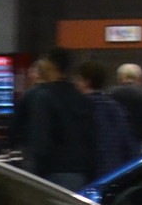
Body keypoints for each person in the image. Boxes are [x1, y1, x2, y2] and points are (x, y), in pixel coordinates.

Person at [18, 50, 99, 190]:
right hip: (79, 172)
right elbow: (92, 137)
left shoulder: (41, 96)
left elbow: (39, 139)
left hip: (52, 173)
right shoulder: (81, 98)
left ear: (50, 66)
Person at [73, 62, 135, 179]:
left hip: (90, 173)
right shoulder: (116, 107)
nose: (76, 85)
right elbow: (127, 143)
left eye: (78, 80)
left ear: (87, 82)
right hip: (115, 171)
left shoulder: (79, 108)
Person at [109, 63, 142, 148]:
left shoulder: (110, 93)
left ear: (120, 77)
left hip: (114, 142)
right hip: (139, 141)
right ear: (140, 78)